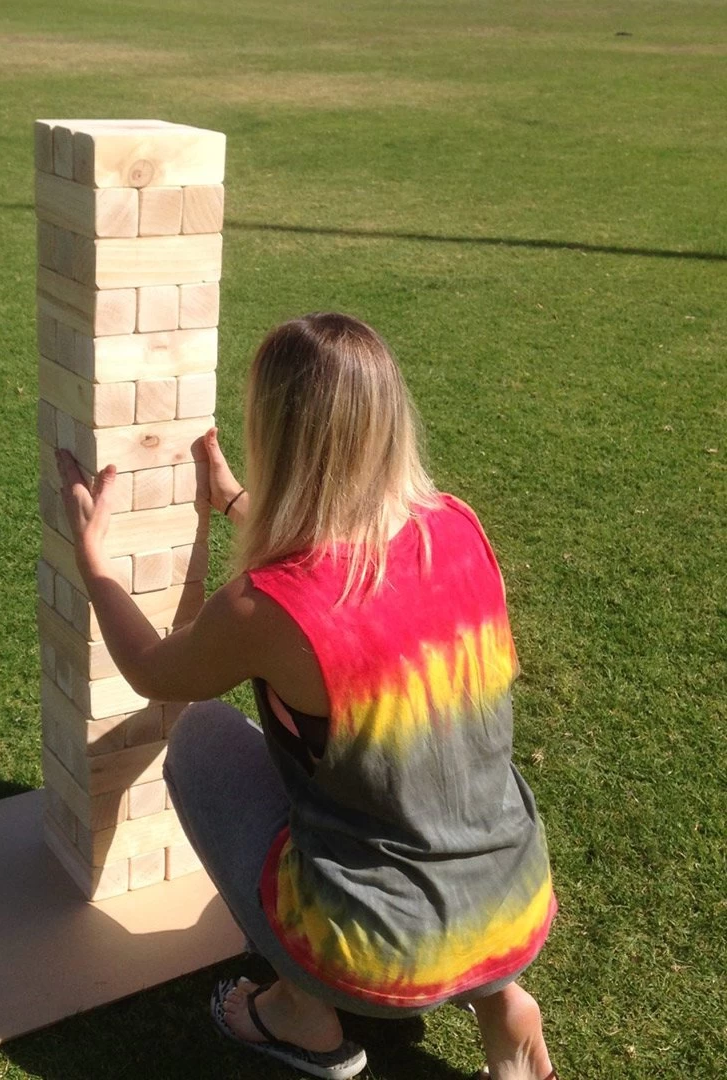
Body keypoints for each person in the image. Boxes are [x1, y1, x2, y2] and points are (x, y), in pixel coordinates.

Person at [55, 312, 558, 1080]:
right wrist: (236, 503)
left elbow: (153, 671)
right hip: (514, 906)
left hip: (382, 954)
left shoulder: (269, 606)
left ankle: (302, 1012)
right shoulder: (457, 529)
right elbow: (358, 574)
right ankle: (502, 1007)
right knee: (426, 769)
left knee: (202, 737)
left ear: (275, 431)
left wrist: (94, 564)